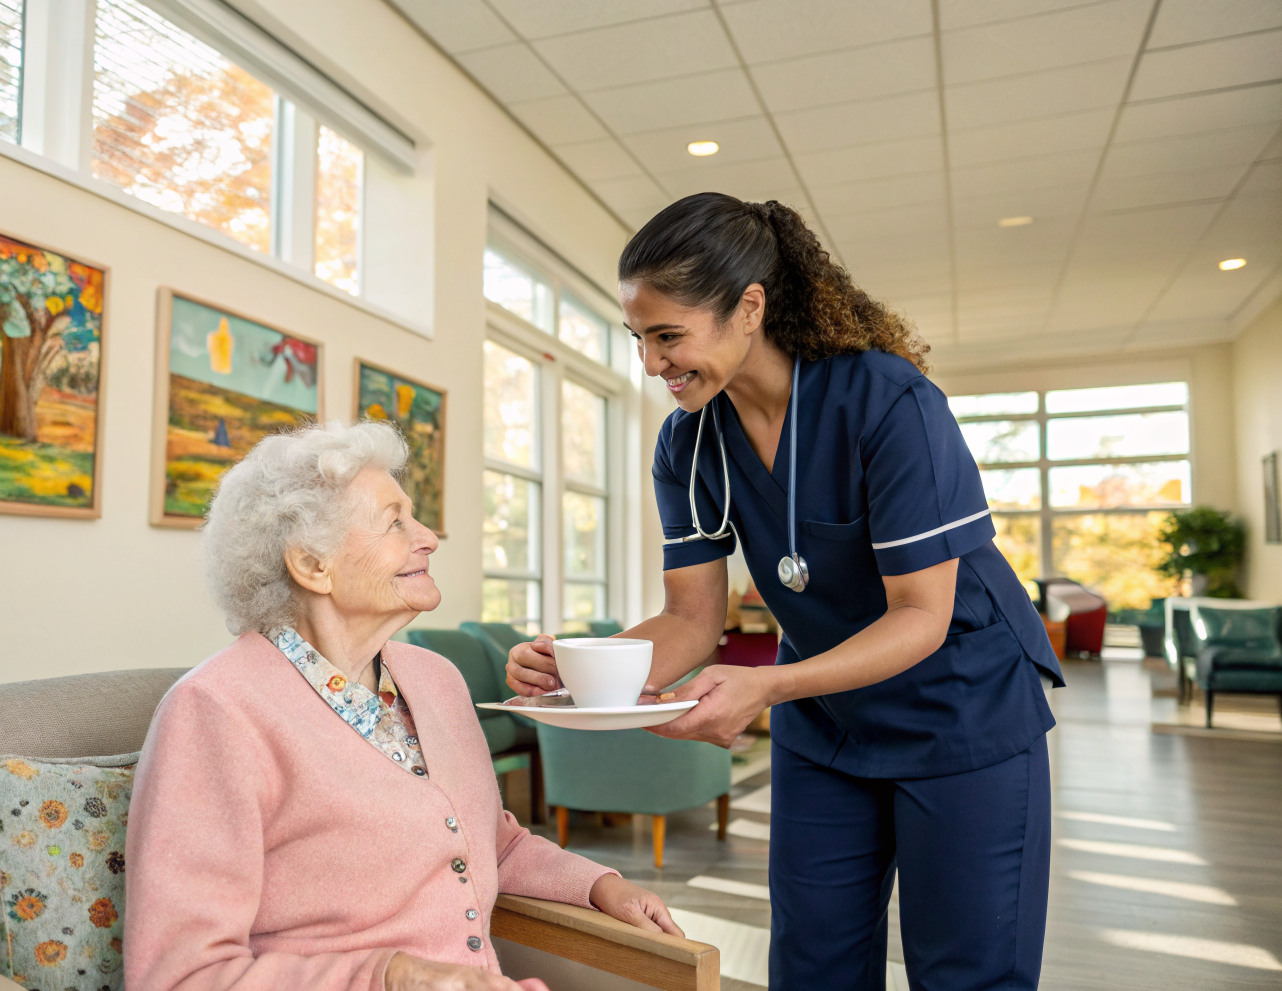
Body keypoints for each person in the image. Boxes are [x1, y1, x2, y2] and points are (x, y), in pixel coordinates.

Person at [506, 193, 1064, 991]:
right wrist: (587, 671)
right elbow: (691, 619)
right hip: (827, 722)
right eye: (638, 338)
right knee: (812, 965)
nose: (650, 363)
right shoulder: (688, 440)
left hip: (961, 706)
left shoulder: (887, 401)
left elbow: (920, 614)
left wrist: (767, 686)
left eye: (668, 336)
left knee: (966, 970)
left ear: (748, 308)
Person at [125, 421, 681, 991]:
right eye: (395, 522)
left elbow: (491, 842)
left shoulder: (434, 678)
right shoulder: (215, 711)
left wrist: (600, 885)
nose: (429, 537)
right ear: (313, 565)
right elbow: (179, 975)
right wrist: (391, 977)